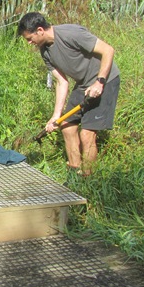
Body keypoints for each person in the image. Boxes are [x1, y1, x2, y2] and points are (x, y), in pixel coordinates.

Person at [17, 12, 120, 176]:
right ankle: (74, 172)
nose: (29, 43)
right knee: (66, 126)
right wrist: (56, 115)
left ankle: (88, 178)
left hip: (105, 81)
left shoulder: (71, 34)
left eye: (30, 38)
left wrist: (99, 82)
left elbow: (108, 50)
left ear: (40, 30)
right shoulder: (45, 51)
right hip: (83, 84)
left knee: (86, 134)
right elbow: (62, 81)